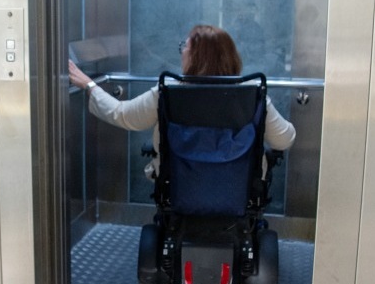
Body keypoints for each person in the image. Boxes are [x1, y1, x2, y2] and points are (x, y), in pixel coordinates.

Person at [68, 24, 296, 179]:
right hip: (238, 189)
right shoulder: (253, 96)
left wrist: (89, 85)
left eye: (183, 48)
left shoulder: (167, 92)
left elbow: (122, 114)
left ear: (196, 57)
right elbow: (284, 140)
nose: (181, 53)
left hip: (179, 185)